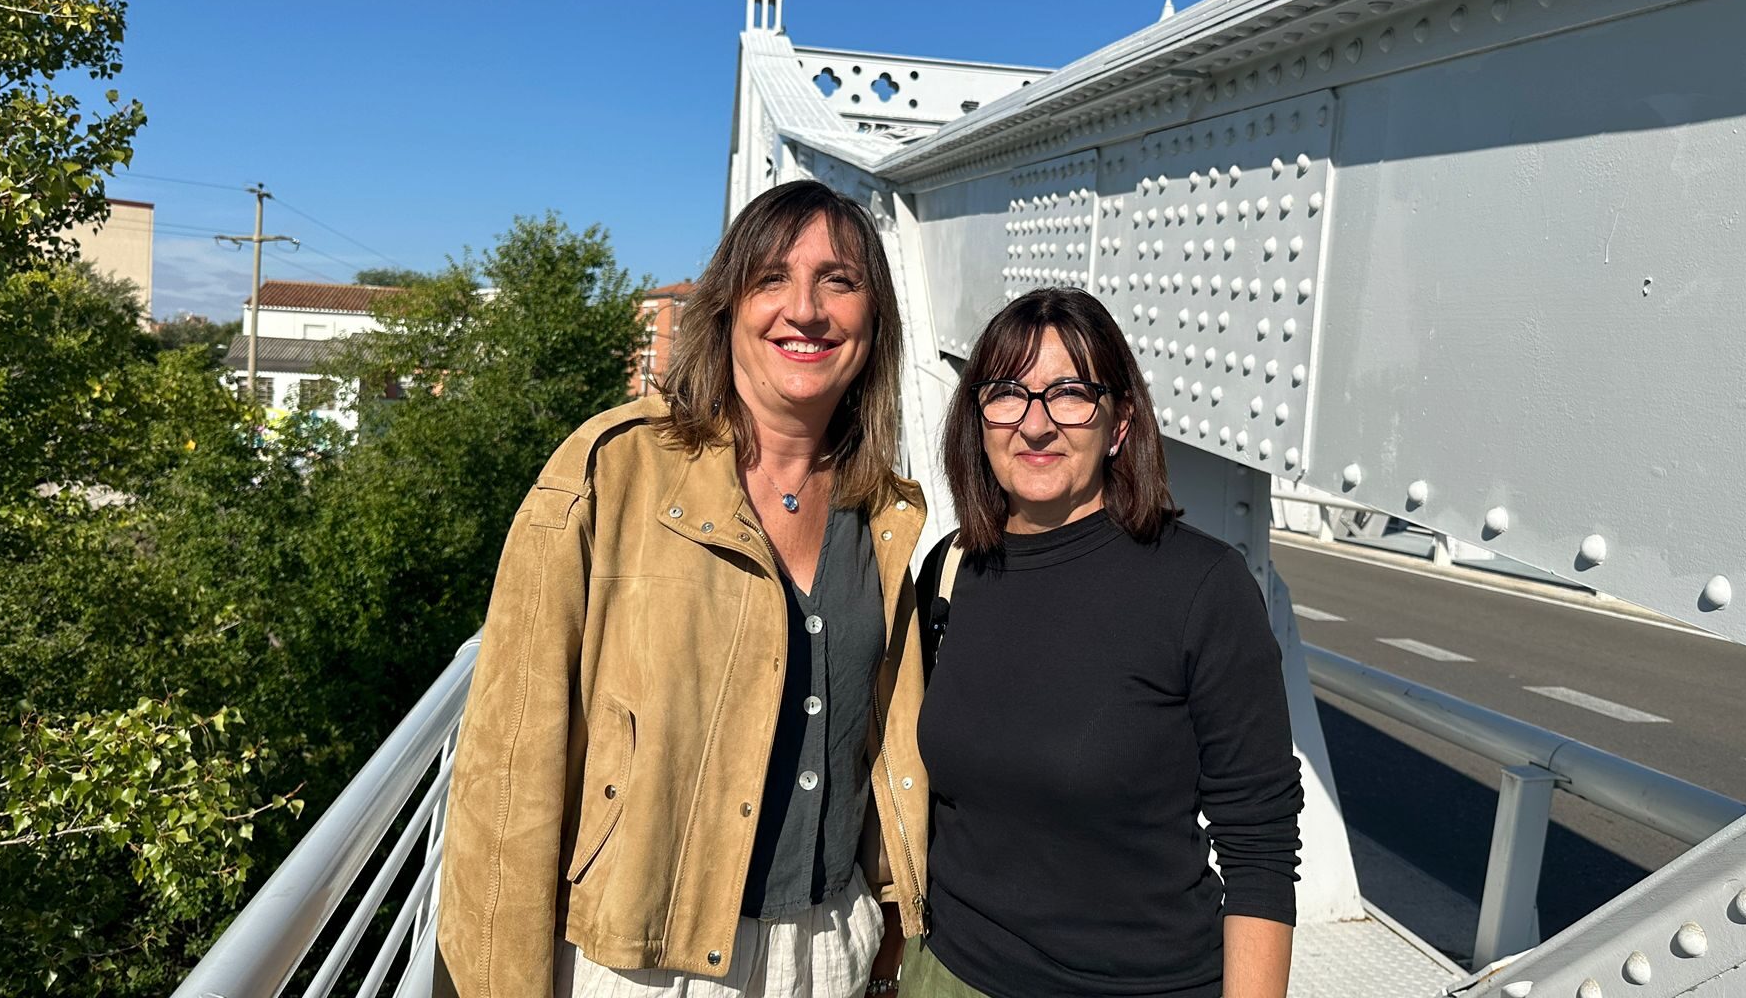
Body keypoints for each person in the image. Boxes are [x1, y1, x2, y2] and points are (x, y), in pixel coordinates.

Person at [437, 180, 931, 998]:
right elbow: (509, 768)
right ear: (727, 307)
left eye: (839, 282)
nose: (805, 310)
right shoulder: (613, 472)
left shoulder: (882, 514)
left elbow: (878, 747)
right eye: (771, 279)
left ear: (874, 321)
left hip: (829, 949)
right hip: (641, 961)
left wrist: (887, 916)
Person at [902, 287, 1304, 998]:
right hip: (950, 975)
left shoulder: (1202, 587)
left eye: (1070, 394)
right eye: (1008, 393)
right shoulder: (950, 571)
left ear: (1119, 423)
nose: (1036, 425)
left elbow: (1260, 847)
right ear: (979, 419)